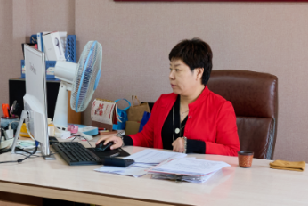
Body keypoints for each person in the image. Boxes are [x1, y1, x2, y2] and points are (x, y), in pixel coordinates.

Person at [98, 38, 240, 156]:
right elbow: (147, 137)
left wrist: (193, 145)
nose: (170, 75)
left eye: (177, 70)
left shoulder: (221, 107)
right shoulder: (163, 102)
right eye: (170, 69)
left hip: (199, 179)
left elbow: (233, 151)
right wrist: (122, 140)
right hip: (160, 174)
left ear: (198, 73)